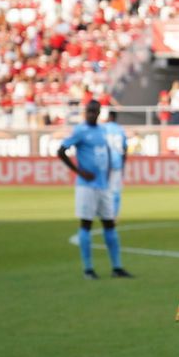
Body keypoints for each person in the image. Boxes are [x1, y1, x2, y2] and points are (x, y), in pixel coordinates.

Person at [57, 99, 131, 280]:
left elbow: (106, 152)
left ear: (99, 113)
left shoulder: (103, 131)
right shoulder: (80, 131)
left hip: (103, 185)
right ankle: (88, 269)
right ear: (85, 112)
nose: (91, 114)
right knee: (86, 224)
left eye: (94, 111)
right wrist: (79, 171)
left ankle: (117, 267)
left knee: (109, 224)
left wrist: (107, 173)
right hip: (86, 186)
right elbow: (61, 151)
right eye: (89, 111)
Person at [104, 110, 128, 218]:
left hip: (105, 163)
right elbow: (125, 148)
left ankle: (105, 213)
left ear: (109, 117)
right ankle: (114, 215)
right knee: (116, 191)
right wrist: (123, 164)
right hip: (117, 162)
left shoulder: (103, 128)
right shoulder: (120, 129)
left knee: (105, 190)